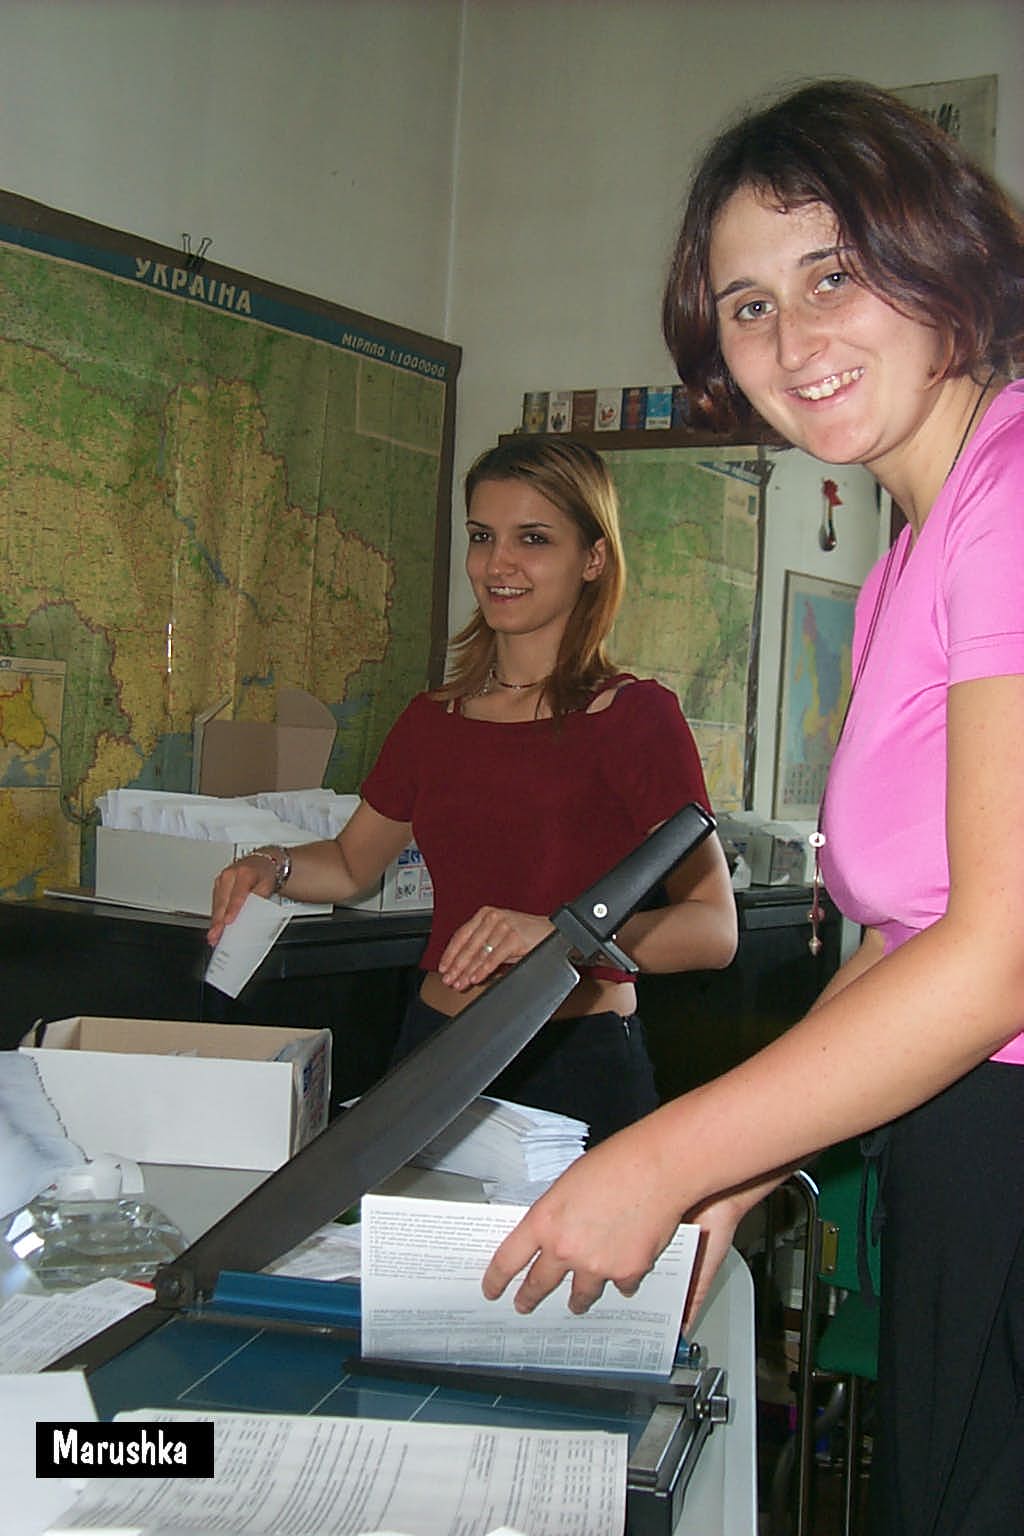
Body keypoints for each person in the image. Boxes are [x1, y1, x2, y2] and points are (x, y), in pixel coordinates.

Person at [481, 81, 1024, 1536]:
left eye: (832, 275)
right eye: (747, 306)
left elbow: (999, 956)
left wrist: (663, 1155)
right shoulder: (916, 548)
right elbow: (901, 937)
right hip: (960, 1140)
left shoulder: (1016, 489)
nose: (793, 343)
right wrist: (743, 1160)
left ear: (942, 253)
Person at [209, 436, 737, 1145]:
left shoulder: (634, 718)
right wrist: (269, 865)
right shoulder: (434, 720)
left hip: (575, 1062)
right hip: (435, 1050)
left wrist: (561, 938)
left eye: (533, 539)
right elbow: (350, 863)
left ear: (593, 558)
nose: (498, 564)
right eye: (483, 536)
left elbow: (713, 929)